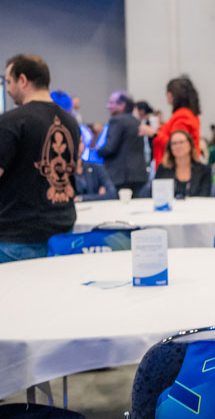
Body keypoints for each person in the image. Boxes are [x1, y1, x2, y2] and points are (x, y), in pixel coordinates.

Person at [0, 54, 81, 263]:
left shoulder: (11, 121)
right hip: (63, 230)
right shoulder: (71, 122)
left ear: (23, 80)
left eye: (9, 82)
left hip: (18, 237)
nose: (8, 89)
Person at [142, 76, 201, 169]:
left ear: (172, 95)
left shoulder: (183, 115)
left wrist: (154, 133)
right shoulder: (186, 113)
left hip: (177, 167)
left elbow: (178, 144)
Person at [96, 90, 147, 194]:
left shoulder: (117, 120)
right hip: (139, 175)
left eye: (111, 103)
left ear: (122, 105)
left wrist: (98, 150)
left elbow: (110, 148)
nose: (108, 106)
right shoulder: (136, 121)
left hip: (121, 176)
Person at [154, 130, 212, 198]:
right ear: (170, 148)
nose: (178, 146)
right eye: (174, 143)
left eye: (181, 142)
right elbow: (157, 195)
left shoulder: (204, 170)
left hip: (196, 205)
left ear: (190, 145)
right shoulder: (163, 169)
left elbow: (204, 196)